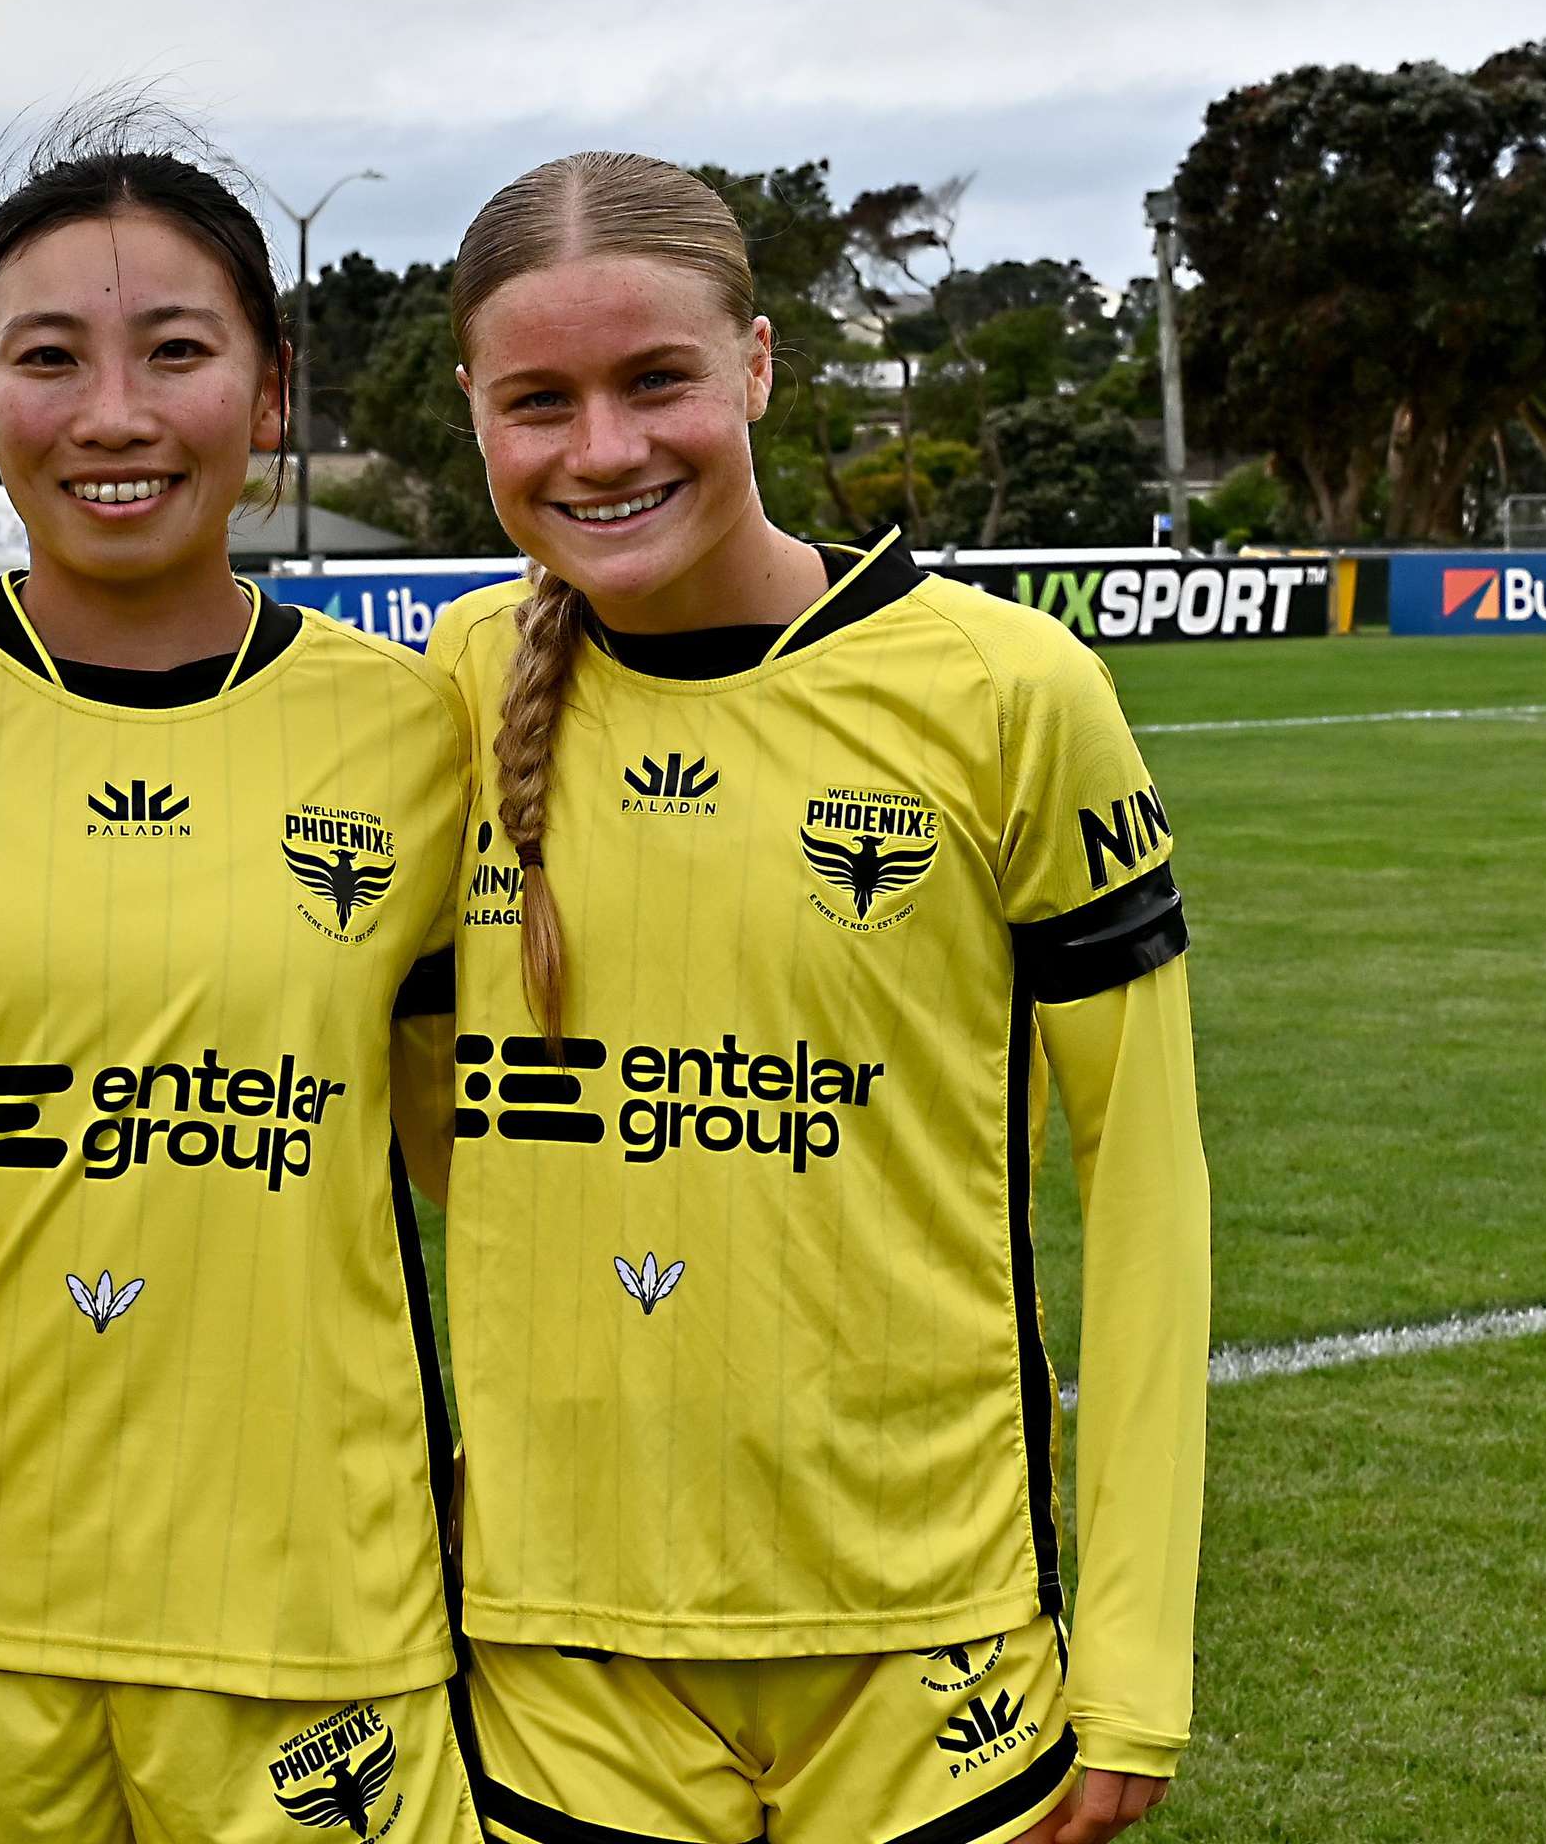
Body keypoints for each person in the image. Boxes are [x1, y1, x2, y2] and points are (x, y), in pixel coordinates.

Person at [423, 152, 1209, 1844]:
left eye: (658, 382)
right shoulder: (447, 697)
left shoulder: (1008, 693)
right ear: (472, 409)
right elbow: (407, 1127)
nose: (605, 450)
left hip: (931, 1651)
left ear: (759, 366)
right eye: (538, 400)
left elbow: (1146, 1191)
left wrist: (1134, 1654)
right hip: (554, 1656)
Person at [0, 111, 476, 1844]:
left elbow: (476, 1168)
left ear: (269, 390)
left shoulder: (409, 731)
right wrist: (14, 1241)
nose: (115, 415)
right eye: (49, 358)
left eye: (176, 351)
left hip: (322, 1626)